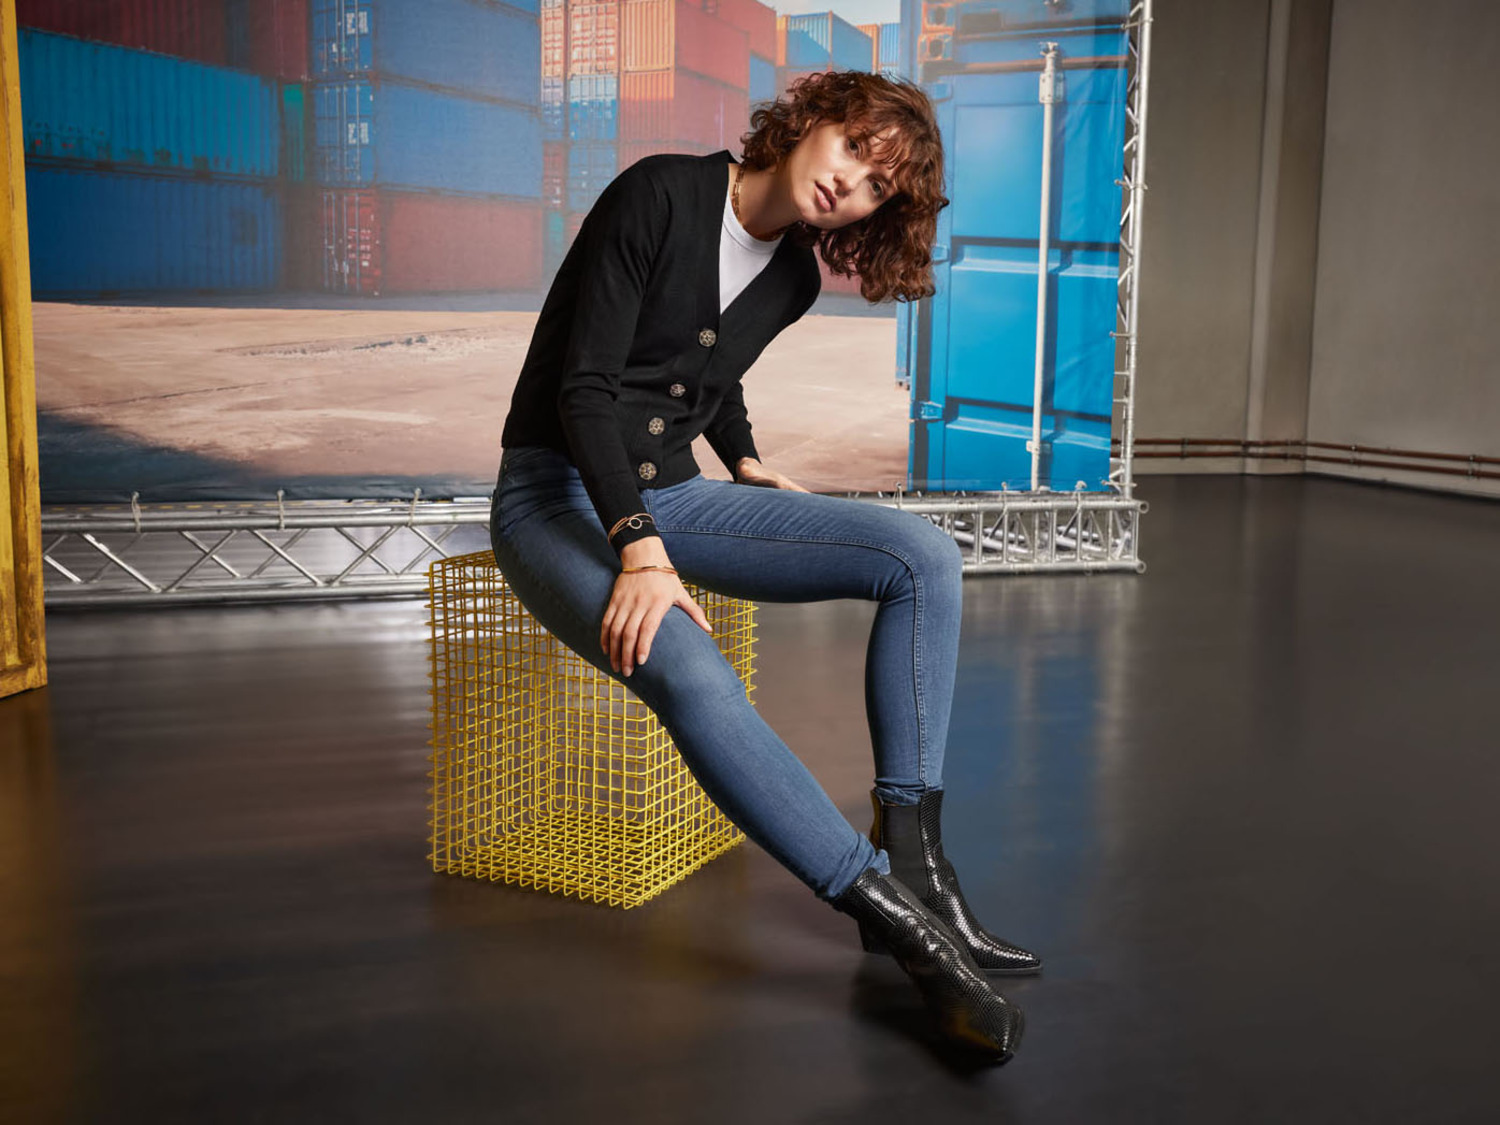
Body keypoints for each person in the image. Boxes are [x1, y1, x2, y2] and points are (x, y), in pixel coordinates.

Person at [491, 72, 1038, 1061]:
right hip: (555, 496)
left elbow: (713, 371)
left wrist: (741, 459)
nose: (851, 185)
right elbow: (586, 388)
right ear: (811, 121)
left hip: (673, 494)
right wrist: (640, 550)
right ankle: (904, 931)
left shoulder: (792, 277)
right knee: (694, 669)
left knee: (922, 556)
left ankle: (921, 860)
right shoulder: (660, 193)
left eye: (878, 186)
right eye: (853, 150)